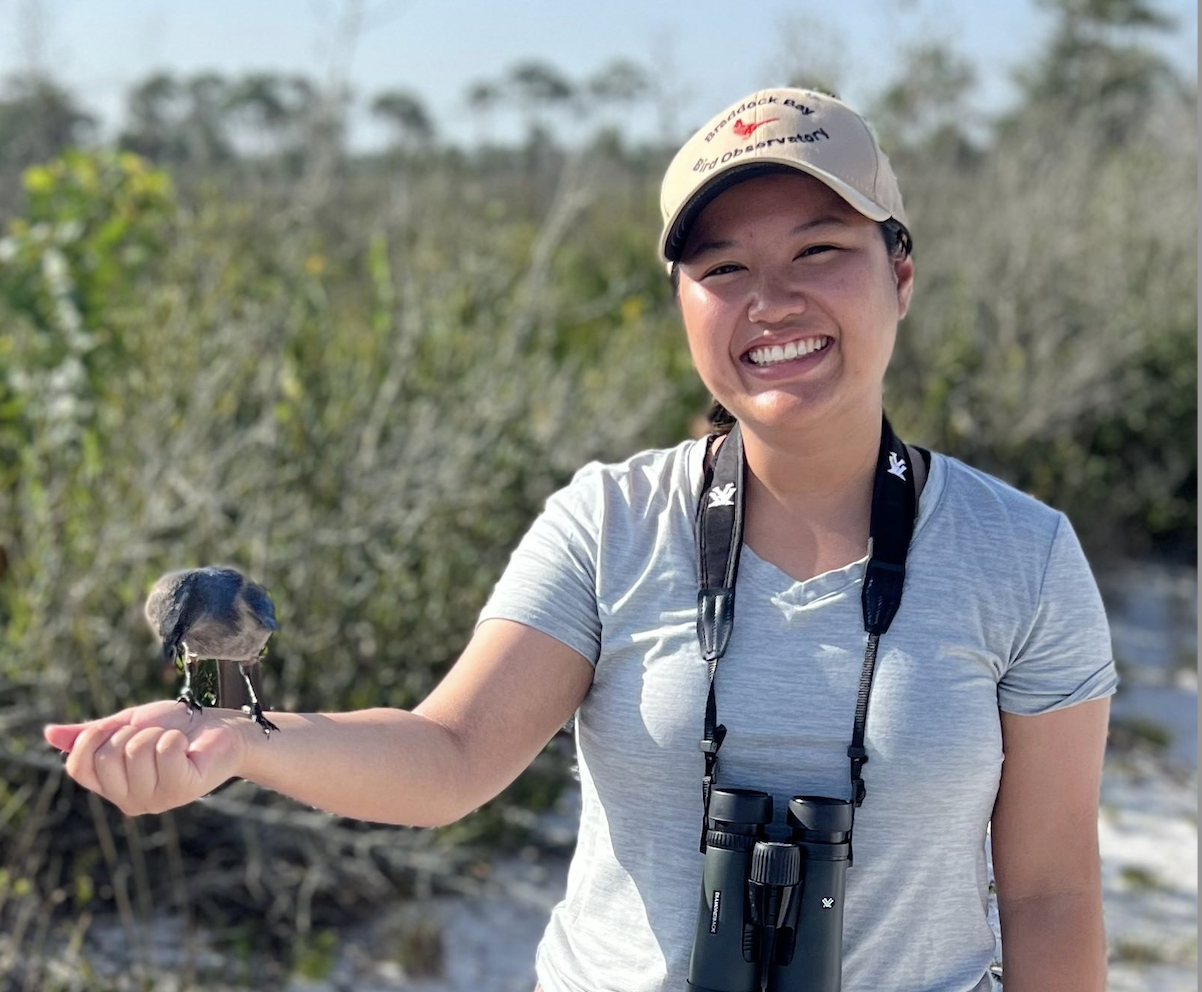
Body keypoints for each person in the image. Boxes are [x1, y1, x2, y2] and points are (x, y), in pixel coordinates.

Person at [44, 88, 1116, 992]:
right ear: (681, 303)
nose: (771, 299)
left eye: (819, 250)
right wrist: (241, 745)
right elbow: (448, 757)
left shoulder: (1018, 553)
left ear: (900, 275)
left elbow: (1049, 892)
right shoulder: (609, 521)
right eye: (722, 269)